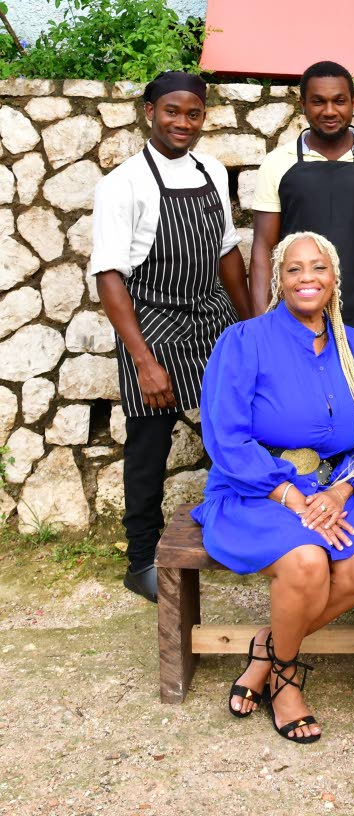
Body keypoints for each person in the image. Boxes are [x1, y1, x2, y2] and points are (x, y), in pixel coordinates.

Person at [191, 232, 354, 744]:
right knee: (306, 560)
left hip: (336, 489)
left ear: (335, 279)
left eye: (318, 268)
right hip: (257, 489)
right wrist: (291, 495)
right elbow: (227, 437)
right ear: (279, 281)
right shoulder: (244, 342)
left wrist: (342, 492)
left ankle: (267, 647)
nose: (308, 278)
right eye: (294, 270)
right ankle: (286, 676)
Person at [91, 71, 251, 604]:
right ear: (148, 110)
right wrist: (144, 361)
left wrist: (249, 326)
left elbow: (228, 254)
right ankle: (140, 560)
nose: (182, 123)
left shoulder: (209, 171)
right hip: (152, 322)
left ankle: (236, 538)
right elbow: (110, 277)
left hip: (211, 315)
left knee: (232, 431)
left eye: (193, 114)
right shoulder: (123, 184)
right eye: (172, 112)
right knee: (148, 447)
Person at [249, 60, 354, 348]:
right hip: (295, 320)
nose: (330, 111)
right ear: (303, 104)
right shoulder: (277, 163)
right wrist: (262, 325)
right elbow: (262, 250)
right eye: (318, 102)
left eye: (339, 101)